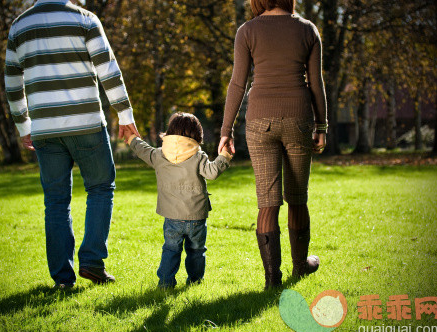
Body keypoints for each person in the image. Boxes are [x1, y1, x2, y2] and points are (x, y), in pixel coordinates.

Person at [4, 0, 140, 289]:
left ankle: (63, 280)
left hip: (44, 129)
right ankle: (92, 262)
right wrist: (125, 115)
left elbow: (13, 83)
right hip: (87, 124)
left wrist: (23, 125)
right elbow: (108, 70)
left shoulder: (19, 26)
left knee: (55, 201)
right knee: (101, 187)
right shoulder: (85, 19)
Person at [218, 0, 327, 289]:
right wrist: (322, 126)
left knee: (267, 202)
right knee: (297, 197)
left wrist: (225, 131)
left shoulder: (247, 31)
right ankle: (300, 267)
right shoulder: (307, 30)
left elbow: (237, 83)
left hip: (259, 122)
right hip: (298, 119)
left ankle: (271, 279)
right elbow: (315, 82)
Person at [123, 113, 232, 288]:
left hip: (172, 217)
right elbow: (212, 173)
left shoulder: (159, 155)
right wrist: (224, 156)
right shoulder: (198, 156)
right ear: (197, 135)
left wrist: (131, 139)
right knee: (196, 251)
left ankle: (166, 283)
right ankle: (195, 282)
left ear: (170, 132)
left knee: (170, 249)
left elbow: (142, 150)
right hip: (196, 216)